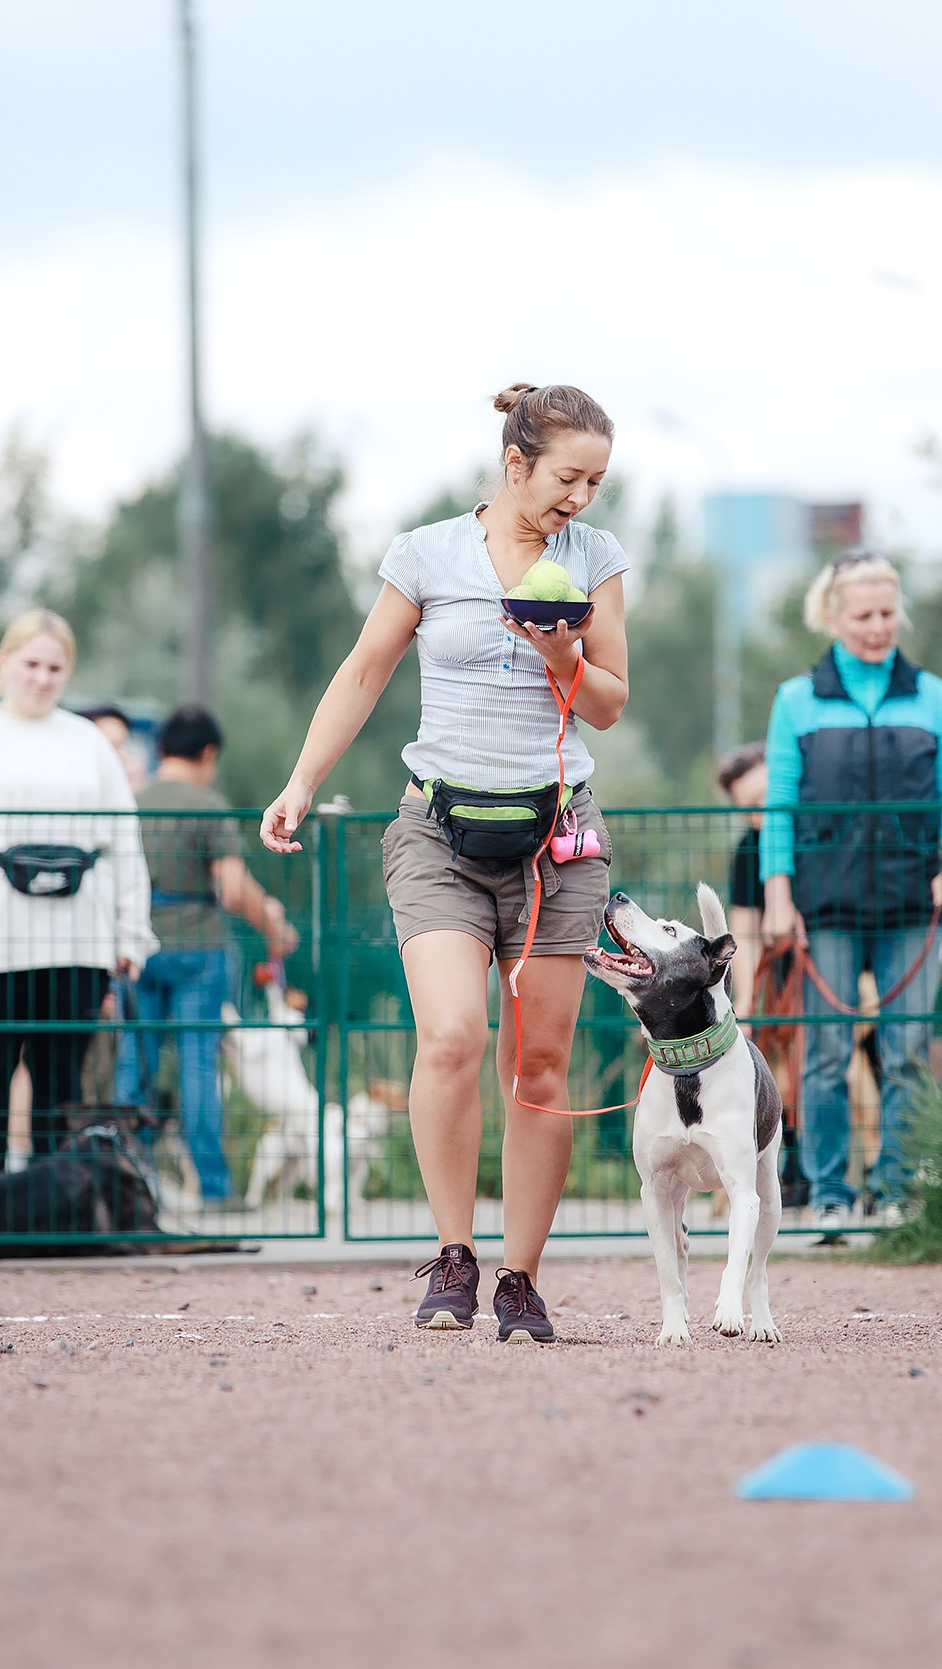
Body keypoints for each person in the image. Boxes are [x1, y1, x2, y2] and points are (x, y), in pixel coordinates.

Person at [261, 383, 629, 1344]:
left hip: (556, 839)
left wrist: (562, 657)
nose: (580, 497)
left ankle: (520, 1278)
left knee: (538, 1062)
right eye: (567, 477)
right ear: (515, 462)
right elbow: (363, 672)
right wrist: (301, 782)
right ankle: (454, 1254)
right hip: (438, 832)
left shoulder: (593, 559)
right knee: (454, 1036)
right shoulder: (427, 553)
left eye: (595, 482)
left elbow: (609, 703)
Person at [760, 550, 942, 1233]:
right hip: (826, 905)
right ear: (833, 618)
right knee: (825, 1052)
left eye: (888, 613)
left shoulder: (932, 695)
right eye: (864, 616)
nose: (879, 627)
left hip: (913, 902)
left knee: (908, 1049)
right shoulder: (797, 699)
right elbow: (780, 807)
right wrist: (778, 895)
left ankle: (896, 1188)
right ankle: (830, 1192)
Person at [0, 611, 155, 1174]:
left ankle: (53, 1205)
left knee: (61, 1083)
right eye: (32, 664)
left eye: (55, 668)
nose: (42, 678)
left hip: (77, 944)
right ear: (4, 662)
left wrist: (130, 934)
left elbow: (123, 840)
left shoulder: (89, 742)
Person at [117, 705, 299, 1205]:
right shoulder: (207, 804)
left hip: (137, 946)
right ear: (208, 753)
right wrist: (274, 927)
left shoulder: (131, 803)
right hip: (198, 949)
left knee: (135, 1061)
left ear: (161, 750)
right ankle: (214, 1190)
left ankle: (126, 1180)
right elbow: (233, 890)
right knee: (198, 1065)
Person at [716, 743, 769, 1014]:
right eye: (751, 808)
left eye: (766, 795)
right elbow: (745, 931)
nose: (763, 809)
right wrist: (748, 999)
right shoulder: (749, 850)